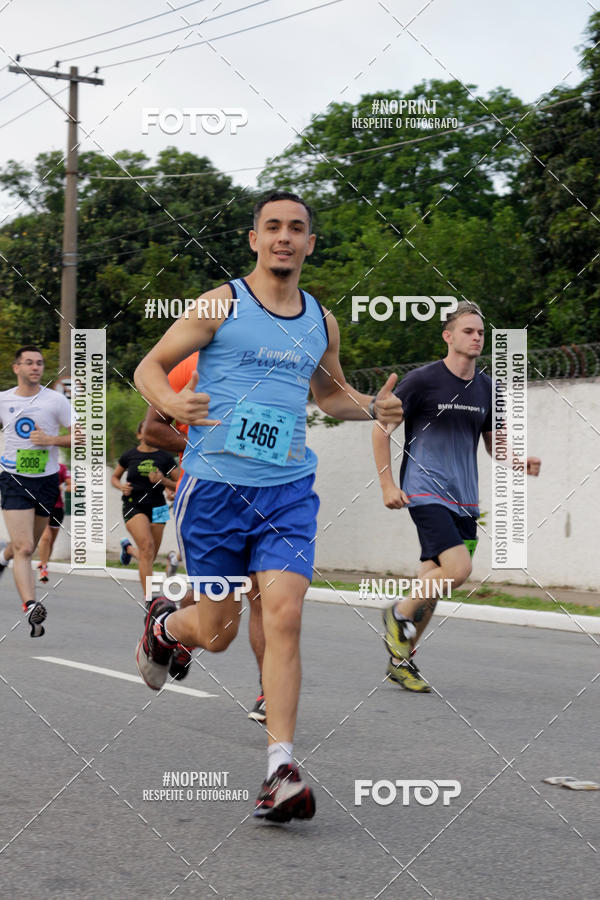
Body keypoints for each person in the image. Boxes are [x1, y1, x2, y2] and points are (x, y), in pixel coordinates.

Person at [133, 190, 405, 823]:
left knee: (283, 615)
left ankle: (280, 769)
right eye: (273, 227)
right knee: (219, 634)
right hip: (215, 492)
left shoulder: (321, 320)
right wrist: (171, 405)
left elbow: (328, 397)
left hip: (286, 493)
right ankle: (167, 626)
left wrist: (373, 406)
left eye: (298, 228)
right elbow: (150, 366)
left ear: (311, 243)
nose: (285, 236)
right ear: (253, 239)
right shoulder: (221, 303)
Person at [373, 301, 542, 692]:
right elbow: (381, 429)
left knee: (433, 582)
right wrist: (386, 485)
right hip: (425, 491)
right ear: (448, 336)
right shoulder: (422, 381)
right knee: (459, 569)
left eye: (481, 332)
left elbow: (492, 444)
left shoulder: (487, 388)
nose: (477, 337)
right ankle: (396, 614)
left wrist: (518, 461)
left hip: (465, 499)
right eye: (468, 331)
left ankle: (401, 660)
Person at [143, 352, 267, 707]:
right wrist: (208, 446)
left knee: (261, 592)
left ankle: (268, 691)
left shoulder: (279, 365)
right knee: (215, 617)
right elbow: (153, 428)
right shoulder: (192, 363)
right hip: (208, 496)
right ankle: (170, 627)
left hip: (265, 494)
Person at [0, 346, 72, 636]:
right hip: (13, 478)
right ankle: (31, 606)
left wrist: (51, 439)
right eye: (29, 363)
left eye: (40, 363)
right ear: (17, 367)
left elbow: (82, 436)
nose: (35, 367)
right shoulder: (3, 400)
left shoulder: (56, 401)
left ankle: (2, 557)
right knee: (26, 548)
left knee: (25, 543)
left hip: (46, 481)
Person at [111, 423, 179, 600]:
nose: (149, 435)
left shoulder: (165, 457)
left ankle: (128, 549)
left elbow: (180, 483)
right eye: (146, 432)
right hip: (134, 504)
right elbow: (115, 477)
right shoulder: (129, 455)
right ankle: (150, 599)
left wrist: (164, 481)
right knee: (147, 546)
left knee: (149, 555)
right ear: (139, 435)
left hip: (159, 507)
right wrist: (121, 486)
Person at [1, 462, 70, 582]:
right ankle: (43, 568)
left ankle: (43, 564)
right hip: (35, 505)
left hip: (56, 507)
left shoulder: (61, 468)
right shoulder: (31, 463)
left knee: (50, 542)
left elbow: (72, 485)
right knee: (44, 538)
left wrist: (63, 487)